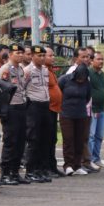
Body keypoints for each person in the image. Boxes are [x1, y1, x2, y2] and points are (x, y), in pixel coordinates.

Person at [0, 44, 29, 185]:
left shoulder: (20, 69)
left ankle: (15, 172)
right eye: (17, 53)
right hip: (10, 108)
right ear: (10, 54)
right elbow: (0, 90)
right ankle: (5, 173)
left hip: (21, 105)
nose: (20, 55)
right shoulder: (6, 69)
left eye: (22, 53)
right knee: (10, 141)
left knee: (21, 140)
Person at [23, 45, 52, 183]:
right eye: (39, 55)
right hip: (33, 105)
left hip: (45, 105)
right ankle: (30, 171)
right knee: (33, 139)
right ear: (32, 56)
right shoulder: (27, 71)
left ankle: (40, 170)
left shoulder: (45, 70)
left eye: (43, 55)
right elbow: (21, 88)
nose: (42, 58)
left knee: (44, 139)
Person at [58, 64, 92, 175]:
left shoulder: (87, 83)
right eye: (79, 78)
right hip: (66, 115)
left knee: (79, 140)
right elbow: (58, 93)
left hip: (81, 115)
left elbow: (87, 97)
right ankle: (68, 165)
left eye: (83, 79)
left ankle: (77, 166)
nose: (81, 81)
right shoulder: (64, 80)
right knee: (68, 140)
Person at [45, 48, 65, 178]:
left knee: (53, 139)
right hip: (47, 109)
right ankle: (46, 167)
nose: (53, 57)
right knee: (46, 140)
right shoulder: (42, 71)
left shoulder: (50, 70)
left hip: (54, 109)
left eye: (53, 55)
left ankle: (52, 166)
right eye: (50, 55)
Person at [88, 52, 104, 169]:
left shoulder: (102, 74)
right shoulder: (89, 73)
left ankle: (96, 158)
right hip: (93, 109)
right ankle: (89, 160)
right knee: (91, 136)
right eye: (99, 59)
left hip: (101, 109)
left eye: (102, 59)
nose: (101, 61)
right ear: (92, 61)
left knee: (99, 135)